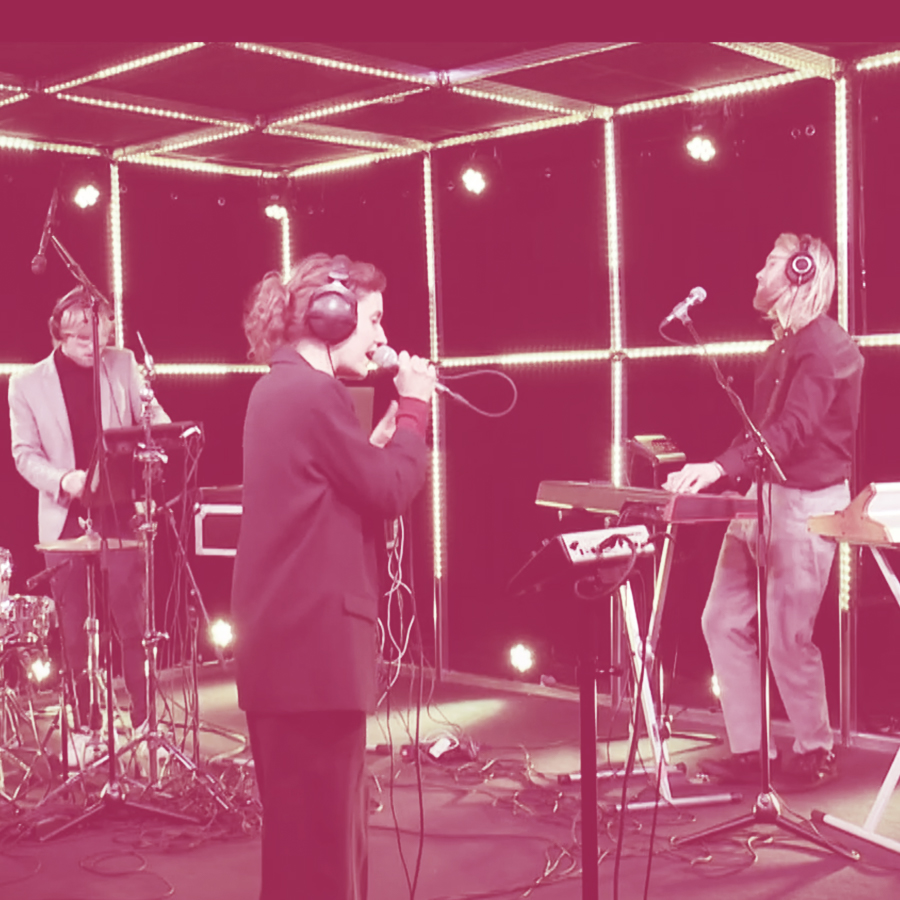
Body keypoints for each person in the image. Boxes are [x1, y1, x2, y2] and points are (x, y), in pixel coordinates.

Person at [231, 253, 436, 900]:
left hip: (292, 660)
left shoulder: (283, 388)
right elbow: (390, 490)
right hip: (312, 663)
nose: (382, 337)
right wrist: (415, 409)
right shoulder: (313, 393)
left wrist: (373, 444)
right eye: (373, 320)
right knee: (320, 864)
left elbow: (325, 493)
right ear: (330, 317)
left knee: (310, 854)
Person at [663, 233, 863, 790]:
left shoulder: (827, 348)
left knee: (787, 638)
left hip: (804, 502)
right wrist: (712, 469)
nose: (758, 273)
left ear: (800, 272)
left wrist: (721, 468)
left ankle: (816, 749)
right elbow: (762, 432)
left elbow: (791, 431)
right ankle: (752, 750)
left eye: (770, 263)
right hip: (761, 495)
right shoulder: (781, 347)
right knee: (721, 620)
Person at [8, 286, 169, 742]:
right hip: (63, 514)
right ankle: (86, 727)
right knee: (75, 632)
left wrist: (158, 443)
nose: (93, 349)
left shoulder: (122, 363)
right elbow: (23, 454)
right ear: (58, 335)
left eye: (101, 339)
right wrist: (65, 479)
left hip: (119, 508)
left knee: (133, 623)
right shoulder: (26, 383)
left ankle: (144, 725)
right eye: (82, 341)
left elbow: (154, 416)